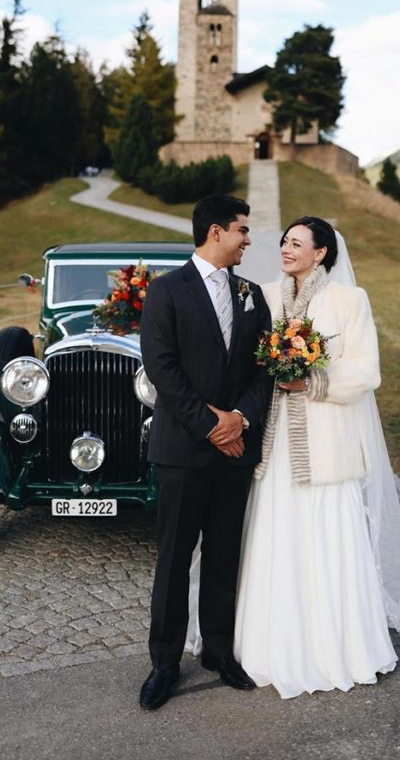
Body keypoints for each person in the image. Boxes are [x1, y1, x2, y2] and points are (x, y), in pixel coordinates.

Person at [233, 216, 400, 699]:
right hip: (274, 448)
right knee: (277, 538)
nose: (287, 249)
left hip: (328, 445)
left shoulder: (349, 301)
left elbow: (366, 371)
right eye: (285, 242)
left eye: (297, 243)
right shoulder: (265, 297)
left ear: (322, 253)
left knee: (327, 539)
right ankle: (272, 646)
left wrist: (313, 380)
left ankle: (339, 645)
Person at [139, 194, 272, 710]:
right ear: (216, 232)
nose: (248, 240)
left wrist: (239, 419)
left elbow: (263, 368)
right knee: (174, 560)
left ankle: (219, 650)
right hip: (182, 449)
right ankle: (164, 664)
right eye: (242, 230)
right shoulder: (166, 292)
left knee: (224, 554)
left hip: (235, 449)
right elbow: (161, 367)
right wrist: (211, 424)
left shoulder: (252, 294)